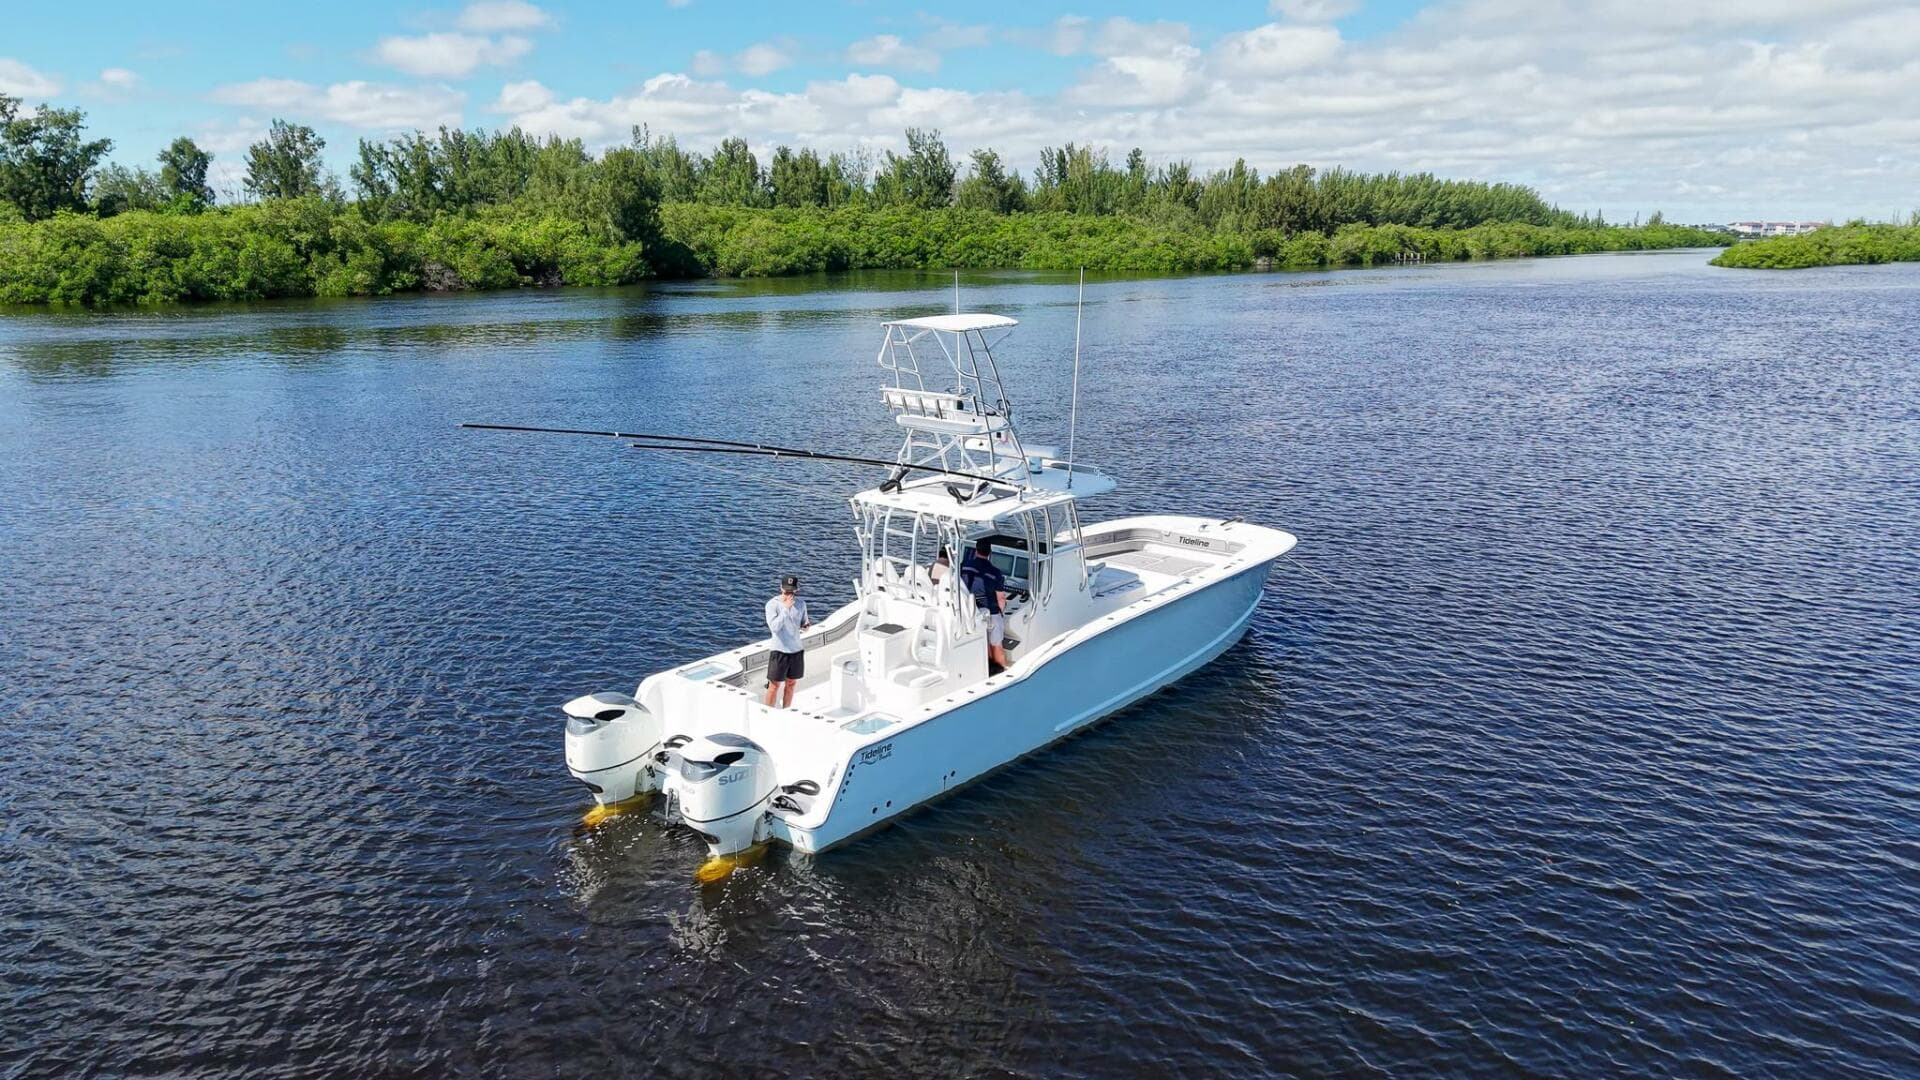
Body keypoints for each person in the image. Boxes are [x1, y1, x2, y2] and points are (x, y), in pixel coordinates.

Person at [960, 538, 1010, 673]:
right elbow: (1001, 598)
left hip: (972, 611)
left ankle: (987, 670)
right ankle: (1003, 671)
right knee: (996, 644)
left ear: (976, 550)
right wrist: (1002, 613)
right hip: (990, 611)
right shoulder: (995, 572)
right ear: (990, 553)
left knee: (983, 641)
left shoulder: (964, 565)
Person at [764, 574, 810, 708]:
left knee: (791, 683)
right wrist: (785, 609)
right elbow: (774, 627)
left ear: (796, 590)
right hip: (779, 651)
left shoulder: (801, 604)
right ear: (780, 588)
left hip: (796, 650)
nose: (788, 594)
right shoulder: (772, 605)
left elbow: (804, 622)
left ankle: (786, 710)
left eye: (791, 591)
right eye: (786, 591)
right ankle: (768, 713)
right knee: (774, 685)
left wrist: (805, 626)